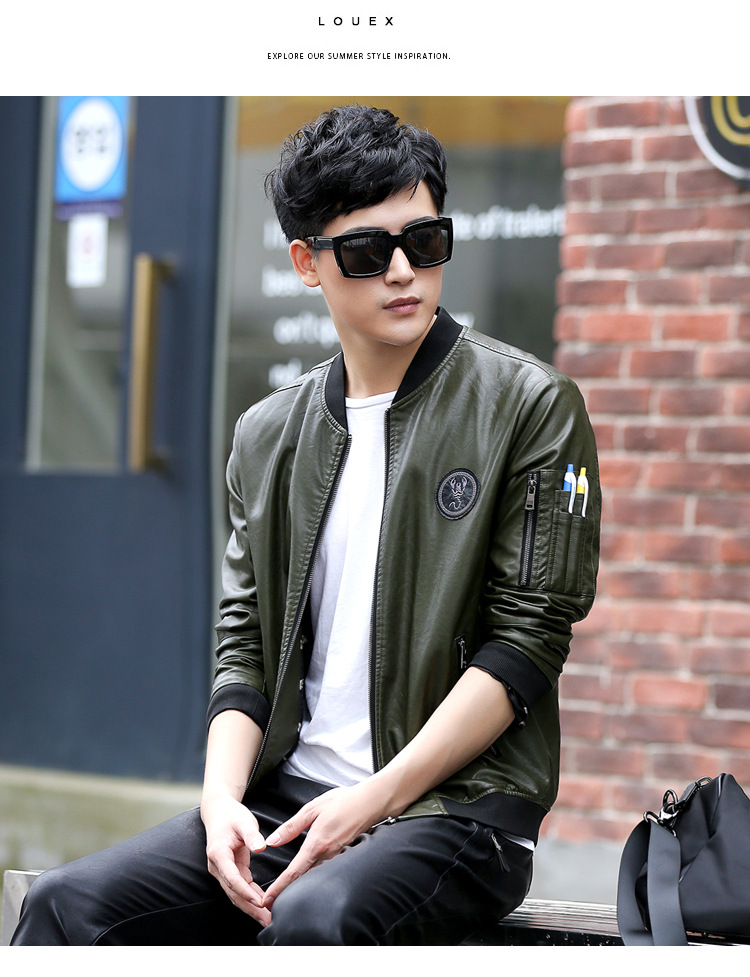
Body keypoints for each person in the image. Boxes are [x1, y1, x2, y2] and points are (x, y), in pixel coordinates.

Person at [12, 104, 600, 946]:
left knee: (312, 921)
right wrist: (220, 801)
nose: (403, 271)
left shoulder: (530, 405)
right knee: (66, 906)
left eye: (425, 241)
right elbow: (245, 642)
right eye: (367, 251)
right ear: (306, 263)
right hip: (286, 801)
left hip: (454, 812)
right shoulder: (267, 435)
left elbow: (527, 643)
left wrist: (373, 799)